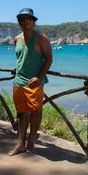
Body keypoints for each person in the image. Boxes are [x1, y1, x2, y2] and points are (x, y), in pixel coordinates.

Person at [8, 8, 53, 156]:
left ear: (33, 21)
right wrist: (17, 68)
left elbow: (49, 59)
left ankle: (31, 140)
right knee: (21, 113)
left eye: (28, 19)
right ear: (19, 22)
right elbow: (22, 57)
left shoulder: (41, 38)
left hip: (34, 83)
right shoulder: (16, 39)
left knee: (36, 112)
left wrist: (39, 78)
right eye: (22, 19)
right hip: (19, 81)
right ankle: (20, 143)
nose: (25, 21)